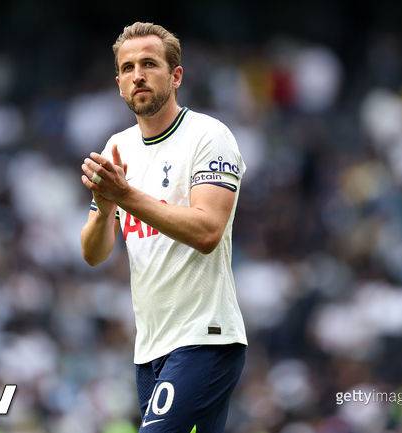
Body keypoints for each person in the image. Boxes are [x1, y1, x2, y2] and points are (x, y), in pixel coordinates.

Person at [80, 22, 247, 433]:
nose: (138, 75)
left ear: (176, 76)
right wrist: (104, 207)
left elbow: (207, 231)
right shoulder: (117, 148)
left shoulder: (208, 136)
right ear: (119, 83)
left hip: (205, 338)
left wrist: (124, 194)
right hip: (150, 348)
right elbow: (94, 253)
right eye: (128, 68)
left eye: (149, 64)